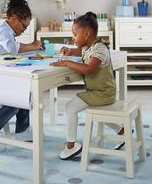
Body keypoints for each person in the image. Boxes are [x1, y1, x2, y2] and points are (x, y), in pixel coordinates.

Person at [50, 11, 124, 160]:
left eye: (75, 34)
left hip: (102, 92)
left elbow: (90, 69)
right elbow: (80, 51)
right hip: (99, 91)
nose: (73, 37)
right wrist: (69, 51)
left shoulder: (100, 49)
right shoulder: (89, 47)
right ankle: (124, 133)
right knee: (98, 112)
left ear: (87, 34)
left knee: (70, 108)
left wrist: (67, 62)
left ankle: (71, 146)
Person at [0, 0, 42, 153]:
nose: (23, 31)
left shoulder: (9, 32)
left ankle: (22, 131)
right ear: (13, 18)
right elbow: (13, 49)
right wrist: (32, 45)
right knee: (15, 101)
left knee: (26, 91)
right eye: (23, 27)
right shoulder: (2, 31)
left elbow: (12, 51)